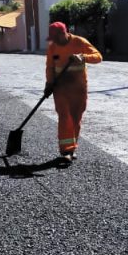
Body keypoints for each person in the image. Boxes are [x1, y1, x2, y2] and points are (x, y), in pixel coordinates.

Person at [44, 22, 102, 164]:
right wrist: (49, 84)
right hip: (60, 88)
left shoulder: (79, 42)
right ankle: (66, 151)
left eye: (55, 38)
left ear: (64, 33)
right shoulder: (52, 47)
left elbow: (98, 57)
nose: (54, 41)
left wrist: (83, 57)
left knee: (76, 118)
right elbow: (50, 67)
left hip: (78, 88)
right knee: (64, 117)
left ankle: (72, 147)